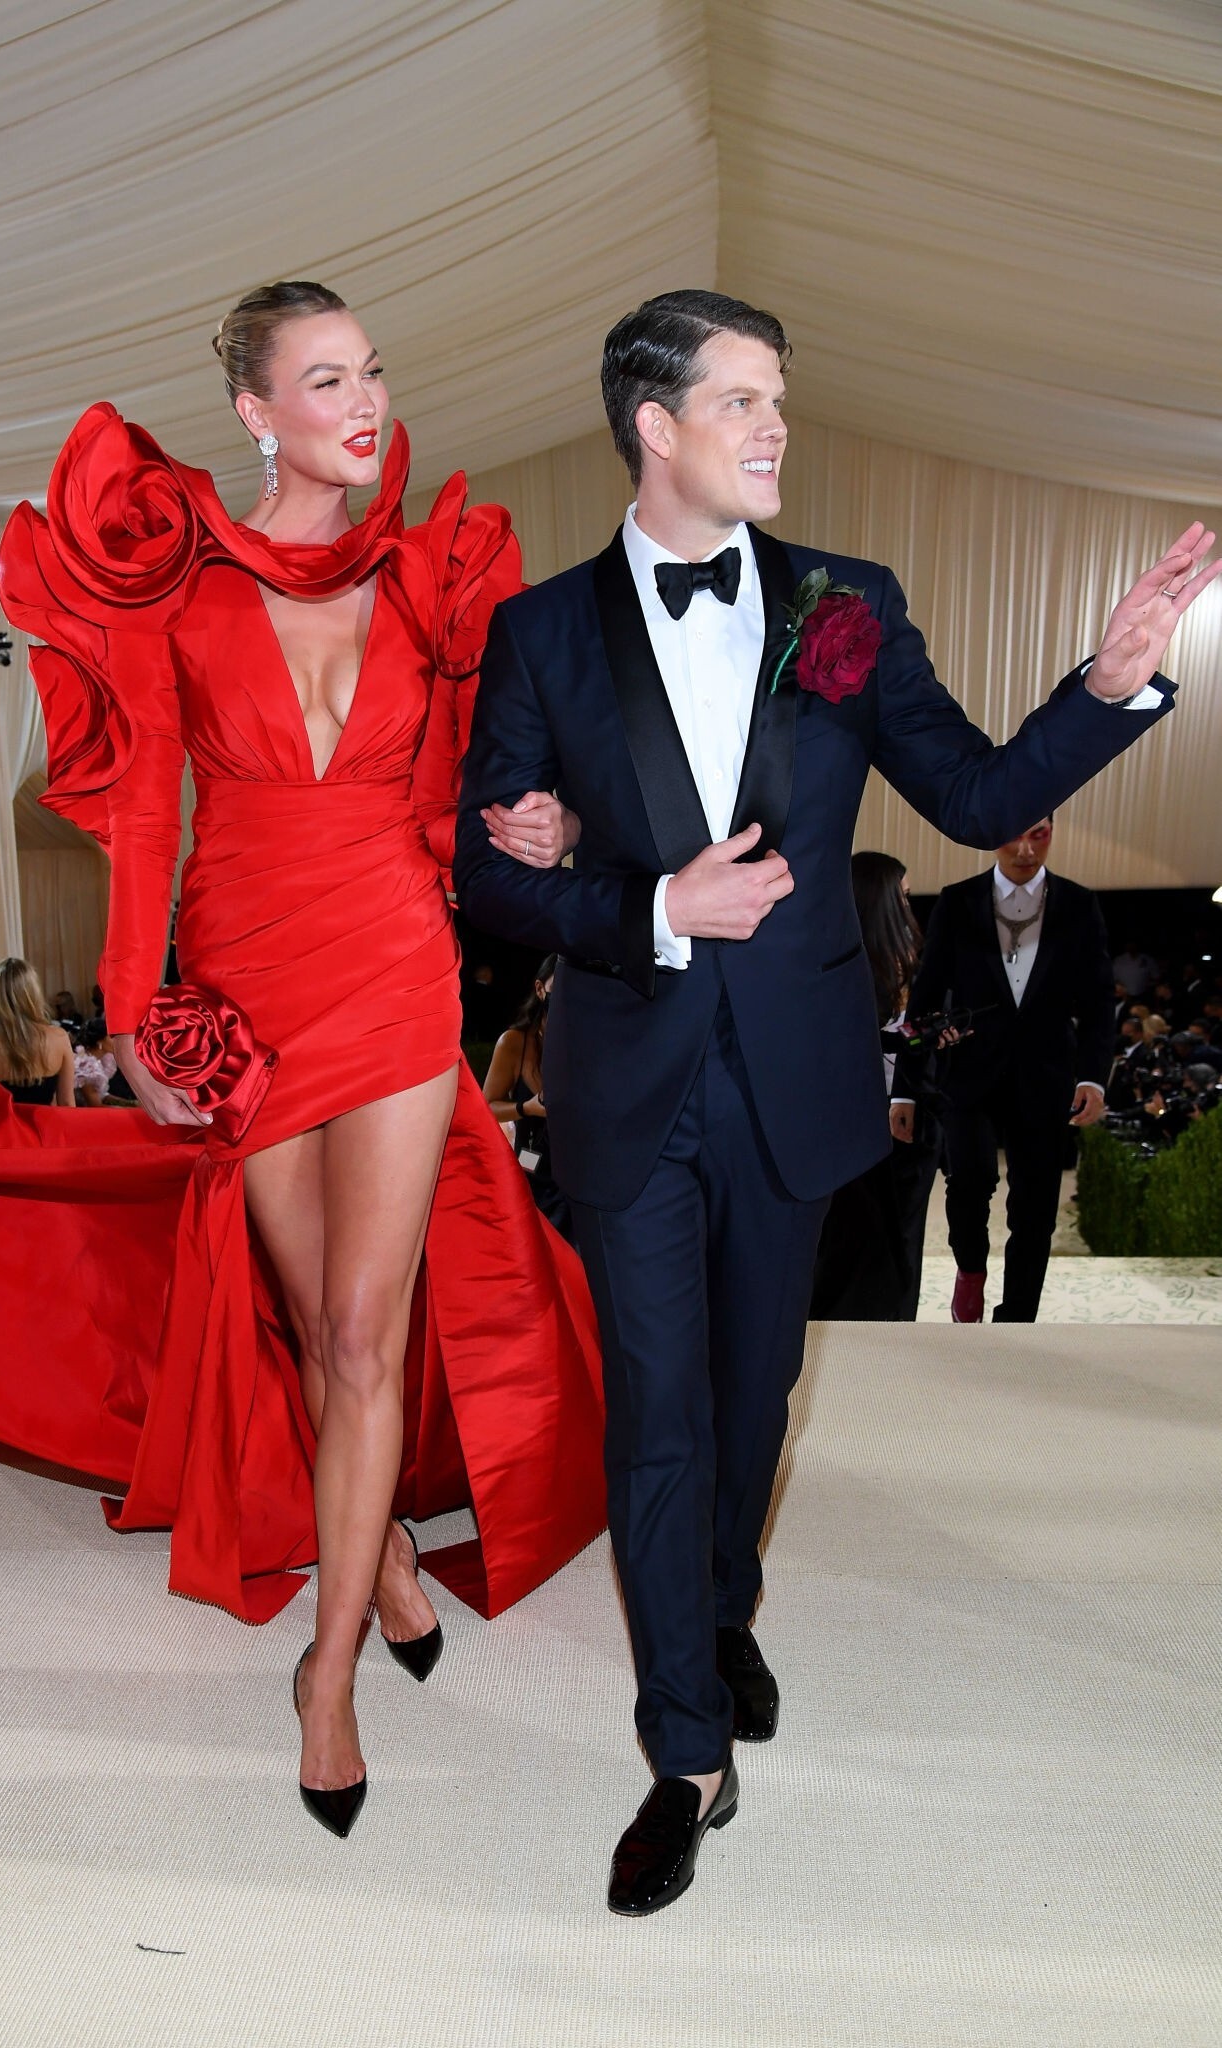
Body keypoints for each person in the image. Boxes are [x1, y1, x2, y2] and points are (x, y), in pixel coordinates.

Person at [0, 281, 608, 1846]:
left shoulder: (424, 585)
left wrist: (534, 826)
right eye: (325, 380)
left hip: (395, 972)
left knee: (360, 1331)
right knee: (304, 1322)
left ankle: (326, 1675)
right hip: (250, 981)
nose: (363, 404)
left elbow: (458, 807)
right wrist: (137, 1011)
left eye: (372, 373)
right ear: (253, 411)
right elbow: (149, 815)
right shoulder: (184, 589)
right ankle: (386, 1556)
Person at [455, 288, 1211, 1915]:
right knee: (657, 1412)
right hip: (628, 1080)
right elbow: (487, 874)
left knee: (752, 1402)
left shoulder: (842, 605)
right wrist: (652, 904)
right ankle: (683, 1749)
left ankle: (721, 1608)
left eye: (777, 397)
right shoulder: (539, 633)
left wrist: (1106, 687)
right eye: (740, 399)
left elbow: (977, 790)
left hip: (792, 1081)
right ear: (654, 425)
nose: (774, 425)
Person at [912, 815, 1115, 1322]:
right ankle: (970, 1270)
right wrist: (919, 1064)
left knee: (1037, 1203)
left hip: (1046, 1076)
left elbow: (1097, 1003)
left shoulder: (1078, 903)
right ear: (992, 837)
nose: (1025, 849)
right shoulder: (957, 901)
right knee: (969, 1181)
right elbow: (926, 996)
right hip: (969, 1073)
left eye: (1038, 835)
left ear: (1052, 833)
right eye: (1013, 835)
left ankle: (1019, 1317)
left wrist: (1092, 1077)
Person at [808, 853, 944, 1321]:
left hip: (904, 1117)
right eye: (902, 896)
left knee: (898, 1241)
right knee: (859, 1243)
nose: (908, 905)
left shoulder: (912, 961)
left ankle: (891, 1331)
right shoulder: (835, 963)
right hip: (856, 1125)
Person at [482, 955, 573, 1239]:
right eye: (561, 986)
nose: (568, 996)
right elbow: (486, 1108)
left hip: (577, 1179)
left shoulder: (587, 1044)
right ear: (540, 989)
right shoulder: (514, 1043)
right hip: (532, 1177)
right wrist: (527, 1108)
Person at [0, 958, 77, 1106]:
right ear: (33, 993)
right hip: (43, 1122)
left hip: (1, 1122)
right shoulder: (59, 1038)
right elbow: (67, 1103)